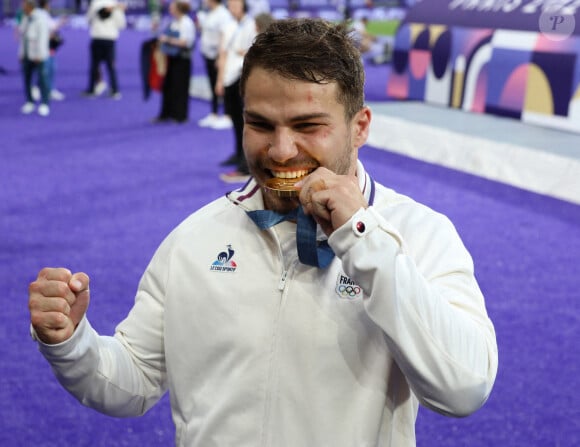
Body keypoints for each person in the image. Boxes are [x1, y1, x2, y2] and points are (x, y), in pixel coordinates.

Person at [28, 18, 498, 446]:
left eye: (307, 125)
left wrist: (363, 237)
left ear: (360, 128)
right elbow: (132, 380)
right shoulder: (196, 238)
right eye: (260, 124)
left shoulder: (418, 234)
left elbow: (464, 388)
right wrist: (72, 343)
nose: (280, 150)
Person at [215, 0, 256, 181]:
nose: (231, 6)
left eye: (235, 4)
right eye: (230, 4)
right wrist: (220, 79)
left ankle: (246, 165)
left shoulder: (250, 24)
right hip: (230, 77)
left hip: (241, 77)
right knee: (235, 119)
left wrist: (245, 53)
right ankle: (239, 154)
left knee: (245, 122)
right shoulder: (231, 25)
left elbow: (254, 51)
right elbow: (224, 53)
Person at [151, 0, 195, 123]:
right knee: (168, 86)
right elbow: (162, 34)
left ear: (178, 9)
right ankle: (166, 113)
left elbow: (185, 42)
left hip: (182, 59)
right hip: (171, 57)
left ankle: (180, 115)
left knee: (180, 87)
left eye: (172, 7)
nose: (170, 10)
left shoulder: (187, 23)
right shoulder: (174, 21)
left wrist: (168, 40)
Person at [196, 0, 234, 129]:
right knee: (212, 84)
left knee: (222, 85)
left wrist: (220, 56)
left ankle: (227, 114)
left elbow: (225, 36)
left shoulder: (223, 14)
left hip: (218, 55)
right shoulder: (210, 13)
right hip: (207, 54)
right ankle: (214, 113)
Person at [83, 0, 126, 99]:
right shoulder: (115, 5)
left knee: (95, 66)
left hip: (98, 38)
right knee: (111, 66)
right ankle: (115, 90)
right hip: (109, 39)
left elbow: (88, 20)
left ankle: (91, 89)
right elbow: (121, 24)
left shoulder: (95, 3)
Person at [18, 0, 51, 116]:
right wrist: (21, 53)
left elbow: (43, 37)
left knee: (42, 79)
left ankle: (44, 103)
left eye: (24, 5)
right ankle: (30, 101)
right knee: (27, 79)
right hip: (27, 53)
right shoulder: (25, 17)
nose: (22, 7)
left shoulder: (40, 17)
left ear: (30, 6)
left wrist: (40, 55)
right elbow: (23, 37)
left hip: (38, 55)